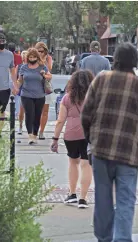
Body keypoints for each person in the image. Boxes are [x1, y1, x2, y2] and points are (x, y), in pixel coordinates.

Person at [81, 42, 138, 241]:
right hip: (130, 152)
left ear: (115, 59)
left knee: (103, 198)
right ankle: (122, 238)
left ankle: (103, 237)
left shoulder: (101, 80)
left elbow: (86, 114)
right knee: (126, 199)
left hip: (101, 149)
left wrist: (91, 139)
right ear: (135, 61)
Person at [50, 70, 94, 208]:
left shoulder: (67, 98)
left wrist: (55, 139)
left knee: (73, 163)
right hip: (89, 134)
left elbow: (60, 120)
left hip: (71, 134)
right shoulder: (95, 98)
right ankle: (83, 198)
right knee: (86, 164)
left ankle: (72, 194)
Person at [15, 48, 52, 144]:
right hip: (26, 94)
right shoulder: (24, 67)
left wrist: (44, 75)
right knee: (29, 114)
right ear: (27, 58)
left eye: (34, 57)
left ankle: (35, 134)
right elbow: (20, 80)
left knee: (37, 115)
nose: (32, 59)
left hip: (39, 95)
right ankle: (30, 135)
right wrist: (16, 88)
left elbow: (49, 76)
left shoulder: (42, 67)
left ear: (37, 57)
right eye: (30, 57)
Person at [35, 42, 53, 140]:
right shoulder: (32, 58)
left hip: (45, 87)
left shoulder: (48, 58)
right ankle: (35, 130)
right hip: (34, 87)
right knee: (35, 111)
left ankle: (41, 131)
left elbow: (49, 69)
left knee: (45, 111)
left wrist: (44, 59)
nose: (40, 53)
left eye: (42, 51)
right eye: (39, 51)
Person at [15, 50, 28, 134]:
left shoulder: (32, 66)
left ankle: (30, 128)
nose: (24, 58)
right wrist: (15, 87)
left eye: (25, 56)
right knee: (21, 109)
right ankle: (20, 126)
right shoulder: (19, 66)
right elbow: (16, 78)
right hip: (21, 90)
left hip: (30, 90)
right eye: (23, 56)